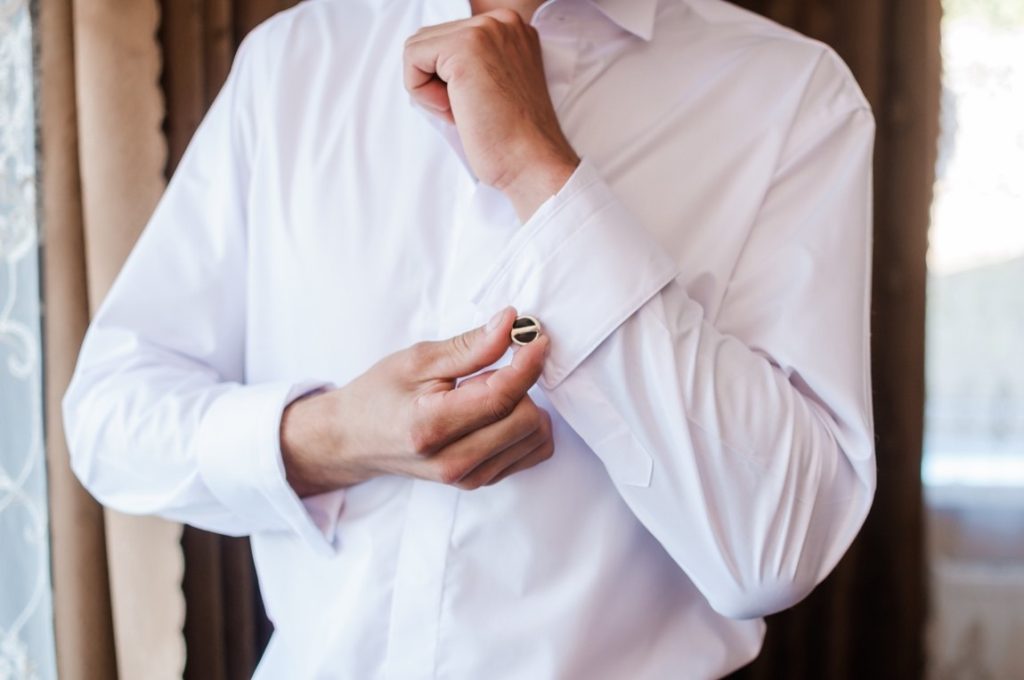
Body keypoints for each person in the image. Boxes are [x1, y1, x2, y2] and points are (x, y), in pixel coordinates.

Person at [63, 0, 877, 677]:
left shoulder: (791, 97)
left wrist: (540, 171)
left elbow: (777, 545)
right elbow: (108, 419)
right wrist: (331, 436)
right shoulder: (293, 63)